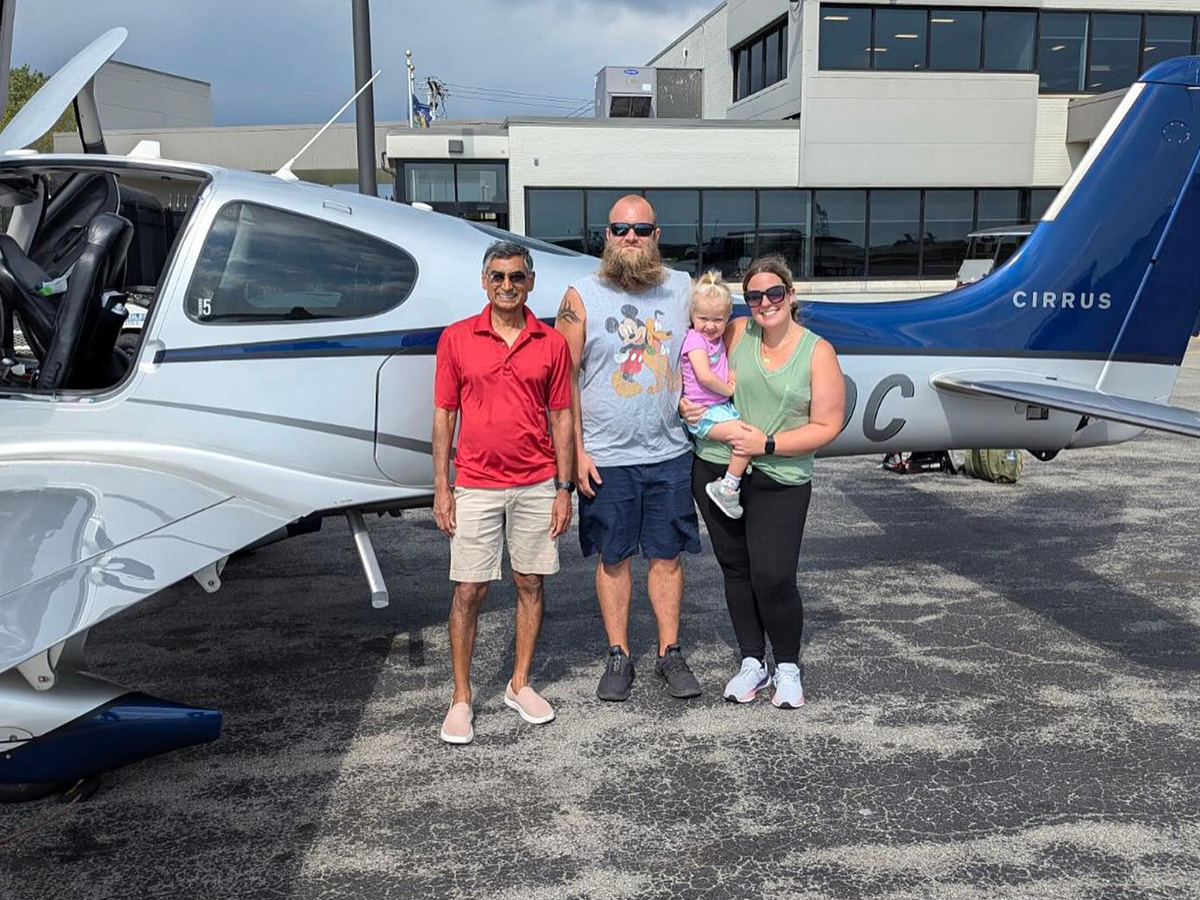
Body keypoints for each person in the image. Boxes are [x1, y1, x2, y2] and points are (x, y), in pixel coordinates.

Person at [555, 194, 702, 702]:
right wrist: (575, 451)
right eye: (621, 230)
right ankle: (619, 653)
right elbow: (563, 378)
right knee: (613, 557)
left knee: (667, 555)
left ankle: (669, 653)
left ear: (657, 236)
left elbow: (723, 332)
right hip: (606, 455)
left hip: (669, 451)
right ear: (607, 236)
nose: (631, 238)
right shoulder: (581, 296)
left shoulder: (682, 288)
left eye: (641, 230)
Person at [681, 256, 845, 710]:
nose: (765, 302)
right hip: (716, 466)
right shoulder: (733, 330)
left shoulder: (818, 351)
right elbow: (693, 376)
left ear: (791, 296)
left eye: (775, 293)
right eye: (754, 296)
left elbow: (828, 425)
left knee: (774, 576)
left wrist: (768, 444)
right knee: (736, 571)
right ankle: (753, 660)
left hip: (780, 473)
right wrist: (685, 407)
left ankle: (787, 665)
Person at [432, 240, 575, 744]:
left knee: (530, 583)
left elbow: (561, 415)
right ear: (484, 282)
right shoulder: (456, 339)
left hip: (537, 482)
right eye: (498, 277)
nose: (507, 286)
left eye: (517, 277)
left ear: (531, 282)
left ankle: (519, 683)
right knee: (469, 590)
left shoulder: (551, 342)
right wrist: (441, 487)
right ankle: (462, 698)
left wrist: (565, 487)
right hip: (474, 483)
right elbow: (445, 414)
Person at [680, 271, 750, 519]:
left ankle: (730, 482)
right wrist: (729, 389)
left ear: (728, 317)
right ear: (692, 316)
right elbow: (705, 376)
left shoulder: (716, 339)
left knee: (746, 437)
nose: (710, 326)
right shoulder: (695, 340)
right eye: (703, 318)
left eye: (718, 320)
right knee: (746, 438)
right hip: (704, 413)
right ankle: (728, 487)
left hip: (717, 409)